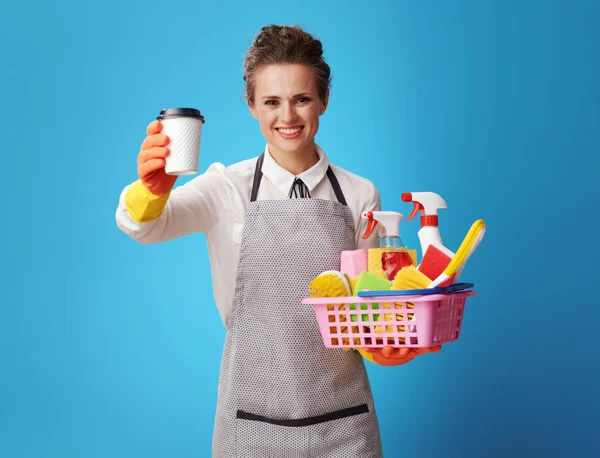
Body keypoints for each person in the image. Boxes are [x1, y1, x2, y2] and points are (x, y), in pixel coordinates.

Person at [116, 24, 440, 458]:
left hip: (343, 424)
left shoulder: (361, 195)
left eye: (302, 99)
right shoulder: (225, 187)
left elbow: (369, 305)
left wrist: (389, 345)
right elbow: (143, 227)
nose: (287, 117)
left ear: (323, 100)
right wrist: (152, 190)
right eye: (271, 101)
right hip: (249, 423)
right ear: (251, 106)